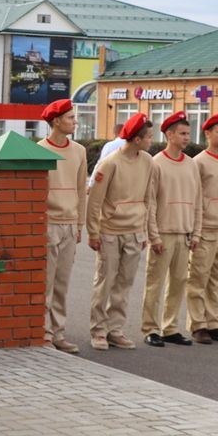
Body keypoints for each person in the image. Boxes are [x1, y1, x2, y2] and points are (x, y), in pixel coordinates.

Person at [86, 113, 155, 350]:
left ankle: (115, 329)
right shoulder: (110, 163)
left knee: (124, 285)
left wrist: (145, 230)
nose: (151, 141)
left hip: (134, 232)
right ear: (136, 139)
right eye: (148, 137)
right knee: (105, 283)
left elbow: (148, 198)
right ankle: (98, 331)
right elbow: (95, 201)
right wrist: (93, 233)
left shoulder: (148, 162)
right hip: (110, 232)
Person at [141, 111, 201, 347]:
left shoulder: (191, 165)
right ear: (169, 134)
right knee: (154, 283)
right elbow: (151, 202)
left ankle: (170, 327)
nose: (187, 137)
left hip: (184, 233)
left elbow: (198, 201)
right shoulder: (157, 163)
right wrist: (153, 235)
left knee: (178, 282)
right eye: (182, 133)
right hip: (163, 234)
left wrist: (196, 232)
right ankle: (150, 328)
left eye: (188, 133)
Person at [37, 99, 86, 353]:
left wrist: (79, 224)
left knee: (62, 283)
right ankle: (43, 333)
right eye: (70, 118)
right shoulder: (40, 149)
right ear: (56, 121)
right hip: (49, 224)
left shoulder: (79, 151)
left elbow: (81, 190)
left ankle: (58, 333)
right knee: (46, 281)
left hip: (69, 224)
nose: (74, 121)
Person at [186, 114, 218, 344]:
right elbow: (194, 198)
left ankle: (213, 322)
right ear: (207, 134)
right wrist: (195, 229)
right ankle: (197, 324)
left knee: (216, 280)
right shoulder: (199, 162)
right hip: (204, 228)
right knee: (198, 279)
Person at [88, 122, 125, 188]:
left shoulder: (110, 146)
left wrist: (91, 183)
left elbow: (100, 164)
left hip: (111, 183)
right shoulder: (132, 145)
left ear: (115, 133)